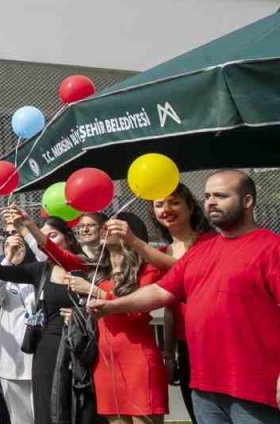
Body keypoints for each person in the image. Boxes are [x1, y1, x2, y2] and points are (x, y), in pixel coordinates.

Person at [88, 170, 280, 423]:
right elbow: (160, 292)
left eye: (221, 196)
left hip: (255, 388)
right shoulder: (202, 252)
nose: (211, 201)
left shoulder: (270, 247)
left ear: (247, 201)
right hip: (205, 386)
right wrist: (112, 306)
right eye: (208, 195)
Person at [107, 183, 211, 424]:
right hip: (187, 346)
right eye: (159, 204)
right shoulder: (163, 251)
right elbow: (168, 304)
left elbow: (185, 271)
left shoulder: (210, 243)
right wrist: (170, 354)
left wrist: (135, 241)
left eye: (174, 202)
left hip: (213, 341)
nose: (166, 209)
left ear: (191, 207)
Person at [0, 209, 86, 424]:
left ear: (68, 237)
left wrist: (28, 229)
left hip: (78, 348)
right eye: (42, 235)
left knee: (74, 410)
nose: (45, 240)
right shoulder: (39, 270)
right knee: (40, 413)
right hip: (40, 351)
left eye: (52, 235)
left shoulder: (82, 266)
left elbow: (52, 252)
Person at [65, 213, 166, 424]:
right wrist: (28, 226)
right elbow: (58, 254)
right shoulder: (100, 272)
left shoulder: (147, 268)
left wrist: (97, 293)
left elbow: (136, 312)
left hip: (137, 359)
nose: (105, 229)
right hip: (105, 362)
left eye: (111, 226)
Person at [0, 225, 36, 424]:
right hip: (11, 363)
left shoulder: (39, 271)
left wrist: (28, 233)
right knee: (19, 420)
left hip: (39, 360)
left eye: (18, 239)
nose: (14, 242)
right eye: (8, 242)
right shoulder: (3, 278)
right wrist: (8, 258)